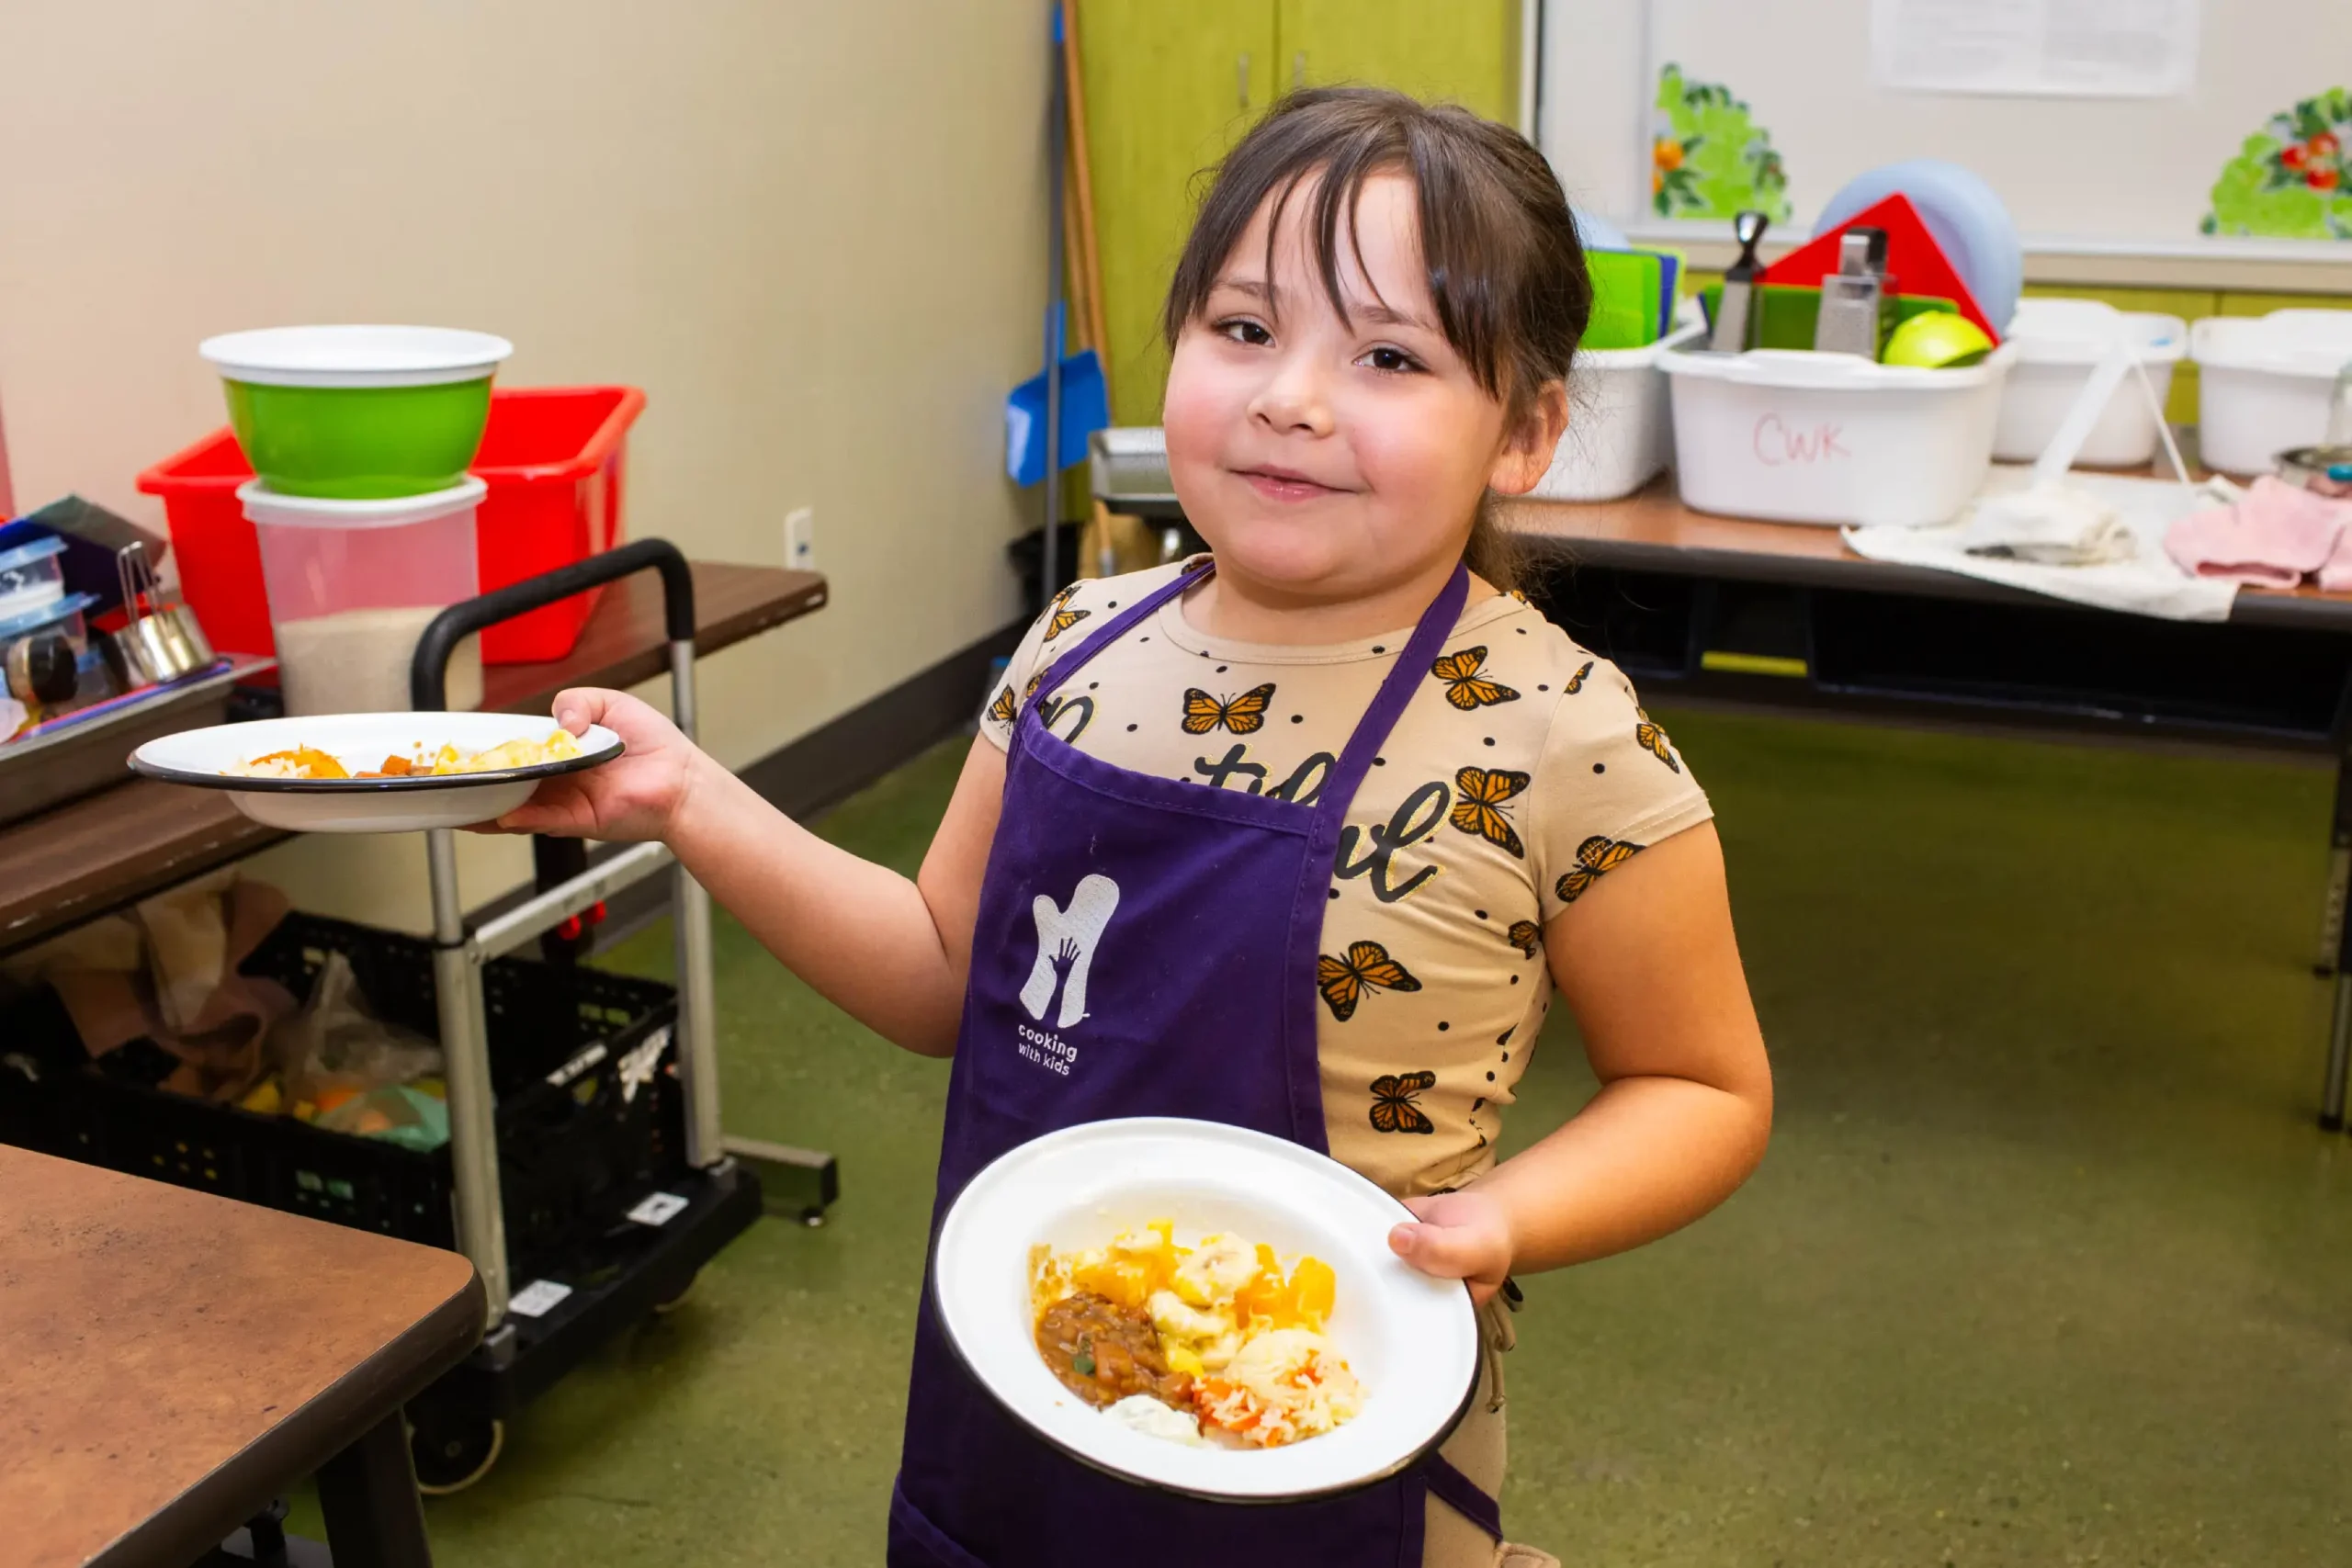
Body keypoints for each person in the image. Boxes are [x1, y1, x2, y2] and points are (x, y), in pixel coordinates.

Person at [498, 86, 1771, 1568]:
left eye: (1388, 355)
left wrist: (1507, 1217)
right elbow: (942, 971)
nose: (1293, 396)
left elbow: (1702, 1084)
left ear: (1527, 430)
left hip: (1331, 1421)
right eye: (1244, 327)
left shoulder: (1559, 733)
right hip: (1021, 1401)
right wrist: (685, 797)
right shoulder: (1076, 647)